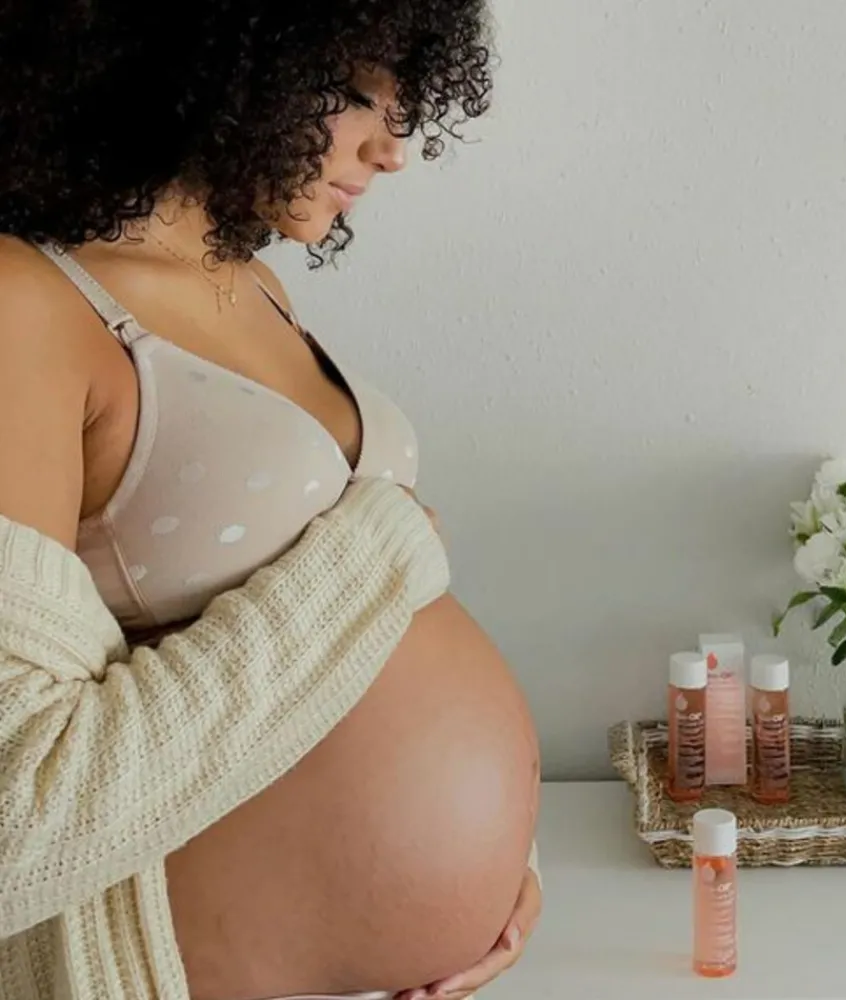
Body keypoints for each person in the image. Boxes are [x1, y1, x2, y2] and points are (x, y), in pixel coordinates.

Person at [0, 2, 541, 999]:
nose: (391, 150)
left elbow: (360, 660)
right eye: (357, 95)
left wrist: (501, 858)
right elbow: (15, 818)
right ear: (222, 59)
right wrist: (375, 556)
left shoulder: (252, 285)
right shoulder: (25, 301)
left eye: (404, 104)